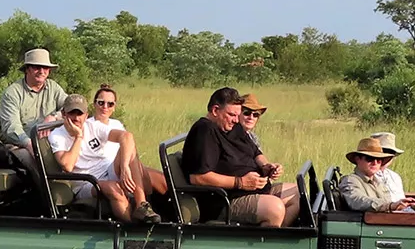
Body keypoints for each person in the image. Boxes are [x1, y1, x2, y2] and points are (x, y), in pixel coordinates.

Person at [181, 87, 298, 226]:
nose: (236, 120)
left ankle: (279, 241)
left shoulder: (231, 126)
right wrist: (240, 182)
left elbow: (255, 152)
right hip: (225, 200)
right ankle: (264, 244)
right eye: (231, 115)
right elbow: (198, 177)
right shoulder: (204, 131)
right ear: (215, 110)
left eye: (238, 115)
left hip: (254, 188)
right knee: (274, 208)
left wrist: (266, 166)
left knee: (297, 194)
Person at [47, 92, 162, 223]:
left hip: (107, 170)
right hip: (85, 182)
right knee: (113, 188)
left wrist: (124, 167)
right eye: (72, 113)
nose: (76, 118)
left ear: (86, 115)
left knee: (130, 150)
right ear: (64, 114)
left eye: (79, 114)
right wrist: (78, 137)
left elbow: (127, 136)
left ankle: (142, 205)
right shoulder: (57, 135)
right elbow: (67, 165)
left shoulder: (93, 126)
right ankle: (131, 227)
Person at [89, 83, 172, 216]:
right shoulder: (90, 125)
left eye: (110, 104)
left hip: (121, 166)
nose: (105, 107)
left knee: (162, 180)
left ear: (114, 107)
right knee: (129, 149)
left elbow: (127, 142)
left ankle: (168, 214)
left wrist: (129, 167)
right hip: (106, 170)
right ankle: (141, 204)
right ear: (94, 104)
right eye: (101, 103)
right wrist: (125, 167)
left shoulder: (116, 124)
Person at [0, 48, 66, 154]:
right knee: (30, 158)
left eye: (45, 68)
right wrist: (30, 146)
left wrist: (54, 117)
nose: (41, 71)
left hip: (51, 141)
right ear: (27, 69)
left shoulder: (53, 87)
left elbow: (71, 107)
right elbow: (11, 128)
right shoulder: (12, 93)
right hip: (20, 145)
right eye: (37, 67)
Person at [338, 135, 415, 213]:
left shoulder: (378, 182)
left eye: (379, 160)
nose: (375, 163)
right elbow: (358, 201)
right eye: (369, 158)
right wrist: (390, 206)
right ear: (358, 159)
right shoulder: (350, 180)